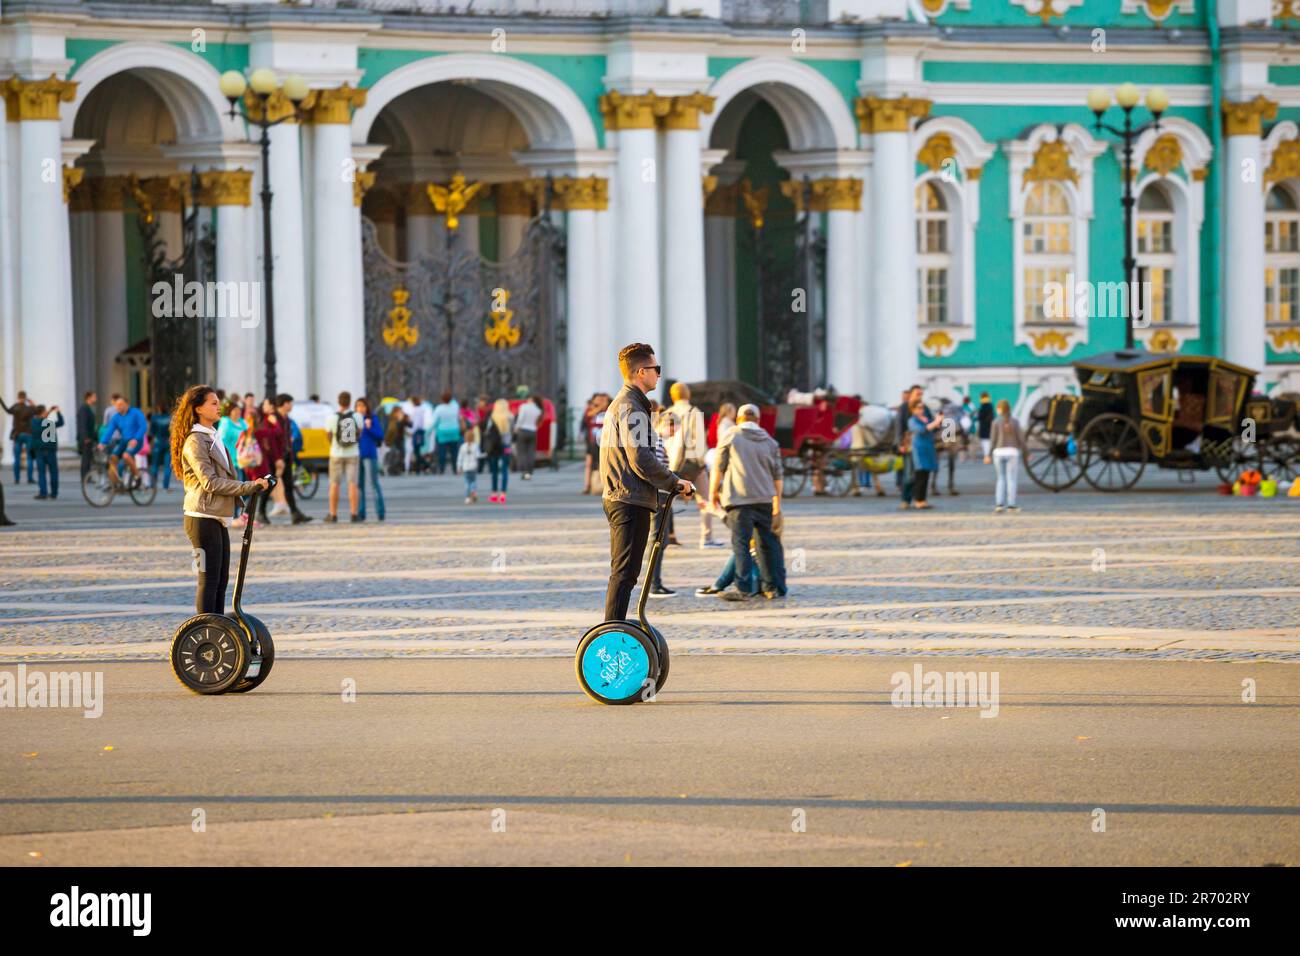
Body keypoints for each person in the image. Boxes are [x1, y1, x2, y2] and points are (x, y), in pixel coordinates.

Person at [600, 343, 694, 622]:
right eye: (656, 369)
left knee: (626, 573)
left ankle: (614, 629)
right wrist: (675, 482)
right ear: (641, 372)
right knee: (624, 573)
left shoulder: (630, 405)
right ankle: (611, 634)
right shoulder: (631, 407)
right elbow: (640, 459)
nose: (659, 375)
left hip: (627, 495)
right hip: (628, 498)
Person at [172, 385, 269, 615]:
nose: (219, 407)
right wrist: (249, 487)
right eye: (213, 403)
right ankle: (206, 630)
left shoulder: (212, 436)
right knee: (208, 580)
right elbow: (210, 482)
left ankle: (218, 628)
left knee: (221, 580)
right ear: (198, 409)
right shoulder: (196, 441)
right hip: (200, 519)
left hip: (216, 516)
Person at [709, 403, 785, 600]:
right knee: (765, 543)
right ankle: (770, 588)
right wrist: (777, 504)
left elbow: (718, 467)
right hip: (764, 499)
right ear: (758, 420)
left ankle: (744, 587)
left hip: (739, 499)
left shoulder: (731, 436)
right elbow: (778, 476)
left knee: (741, 543)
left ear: (739, 419)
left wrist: (712, 493)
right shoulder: (770, 441)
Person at [666, 382, 720, 548]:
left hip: (670, 465)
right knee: (705, 501)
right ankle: (707, 537)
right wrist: (702, 463)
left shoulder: (666, 413)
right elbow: (699, 442)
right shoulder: (693, 412)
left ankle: (664, 535)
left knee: (665, 503)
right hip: (692, 464)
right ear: (688, 394)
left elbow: (662, 440)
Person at [648, 408, 677, 596]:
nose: (674, 429)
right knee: (658, 540)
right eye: (671, 425)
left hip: (663, 495)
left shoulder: (661, 442)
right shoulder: (658, 443)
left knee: (662, 540)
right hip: (660, 496)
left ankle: (656, 582)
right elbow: (657, 472)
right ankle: (654, 584)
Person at [325, 391, 362, 523]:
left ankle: (333, 514)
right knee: (352, 484)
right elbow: (359, 434)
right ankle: (354, 514)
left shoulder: (332, 418)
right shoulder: (357, 416)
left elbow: (329, 436)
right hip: (353, 454)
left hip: (336, 454)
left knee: (334, 484)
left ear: (338, 401)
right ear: (350, 402)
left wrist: (336, 445)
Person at [275, 394, 312, 524]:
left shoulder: (286, 419)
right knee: (269, 486)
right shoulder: (275, 419)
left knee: (289, 486)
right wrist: (277, 458)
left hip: (286, 456)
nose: (291, 406)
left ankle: (295, 513)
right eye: (290, 403)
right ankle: (258, 512)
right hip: (277, 459)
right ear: (284, 404)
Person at [99, 395, 147, 489]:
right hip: (124, 441)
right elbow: (109, 431)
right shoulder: (116, 417)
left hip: (136, 441)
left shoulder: (136, 413)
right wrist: (102, 443)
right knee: (113, 457)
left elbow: (143, 426)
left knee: (126, 455)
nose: (118, 407)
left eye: (121, 404)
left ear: (127, 405)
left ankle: (137, 476)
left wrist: (136, 439)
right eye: (117, 405)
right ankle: (115, 482)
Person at [990, 399, 1027, 513]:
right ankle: (1011, 505)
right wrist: (1027, 452)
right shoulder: (1015, 422)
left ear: (1000, 409)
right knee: (1011, 479)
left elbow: (993, 440)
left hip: (998, 452)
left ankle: (999, 504)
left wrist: (987, 454)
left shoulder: (995, 422)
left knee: (1000, 479)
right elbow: (1021, 439)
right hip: (1012, 452)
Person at [907, 395, 942, 510]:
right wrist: (935, 422)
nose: (921, 409)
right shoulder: (912, 420)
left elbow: (935, 428)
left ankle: (923, 500)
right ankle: (918, 500)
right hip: (919, 449)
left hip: (928, 448)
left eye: (922, 407)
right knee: (920, 475)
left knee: (926, 475)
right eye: (918, 407)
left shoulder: (927, 418)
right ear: (913, 409)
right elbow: (921, 430)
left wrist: (939, 421)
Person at [356, 397, 386, 522]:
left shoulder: (372, 418)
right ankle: (360, 512)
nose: (360, 408)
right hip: (356, 455)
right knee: (359, 485)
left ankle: (380, 511)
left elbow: (380, 435)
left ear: (367, 407)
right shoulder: (352, 419)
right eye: (358, 406)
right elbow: (347, 439)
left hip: (369, 454)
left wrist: (369, 428)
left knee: (374, 484)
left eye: (363, 406)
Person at [1, 392, 37, 484]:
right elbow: (37, 412)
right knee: (29, 457)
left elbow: (7, 410)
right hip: (28, 434)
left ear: (18, 398)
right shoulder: (29, 408)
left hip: (18, 434)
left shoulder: (15, 407)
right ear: (25, 398)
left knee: (17, 458)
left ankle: (17, 479)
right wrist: (32, 403)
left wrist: (1, 400)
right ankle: (30, 478)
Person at [29, 404, 64, 500]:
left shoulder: (33, 422)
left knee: (41, 473)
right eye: (45, 411)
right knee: (53, 472)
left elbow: (40, 418)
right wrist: (58, 412)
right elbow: (61, 422)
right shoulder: (49, 423)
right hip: (51, 451)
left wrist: (48, 411)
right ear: (42, 413)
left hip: (39, 451)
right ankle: (54, 493)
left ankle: (43, 493)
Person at [483, 398, 513, 504]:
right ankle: (503, 494)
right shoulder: (510, 417)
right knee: (505, 469)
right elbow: (512, 431)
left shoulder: (492, 418)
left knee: (494, 470)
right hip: (506, 446)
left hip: (495, 446)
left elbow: (487, 432)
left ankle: (494, 493)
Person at [513, 390, 542, 479]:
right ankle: (530, 471)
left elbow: (521, 418)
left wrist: (516, 427)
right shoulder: (538, 410)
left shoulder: (524, 407)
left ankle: (525, 472)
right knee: (531, 452)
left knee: (522, 452)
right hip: (533, 431)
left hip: (523, 430)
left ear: (530, 399)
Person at [431, 391, 462, 475]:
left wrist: (429, 430)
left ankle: (442, 469)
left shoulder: (439, 408)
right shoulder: (455, 407)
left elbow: (434, 422)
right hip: (454, 431)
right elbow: (459, 417)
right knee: (454, 452)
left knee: (442, 452)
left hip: (442, 432)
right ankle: (455, 469)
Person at [216, 400, 247, 479]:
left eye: (239, 409)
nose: (238, 412)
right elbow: (220, 441)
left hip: (244, 460)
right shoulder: (225, 423)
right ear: (229, 411)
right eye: (235, 410)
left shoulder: (242, 422)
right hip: (231, 461)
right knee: (238, 485)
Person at [148, 401, 173, 493]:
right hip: (168, 442)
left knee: (155, 465)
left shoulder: (154, 418)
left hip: (157, 442)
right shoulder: (170, 418)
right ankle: (165, 486)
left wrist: (150, 444)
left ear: (158, 408)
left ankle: (152, 485)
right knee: (168, 466)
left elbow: (152, 432)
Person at [76, 392, 98, 481]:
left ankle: (87, 477)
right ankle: (85, 477)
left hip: (89, 438)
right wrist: (85, 437)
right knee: (86, 459)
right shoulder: (84, 408)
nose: (96, 398)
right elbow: (83, 424)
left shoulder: (87, 408)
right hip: (86, 439)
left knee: (88, 458)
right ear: (89, 397)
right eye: (94, 396)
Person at [458, 419, 481, 504]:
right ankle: (473, 491)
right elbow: (478, 456)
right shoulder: (475, 446)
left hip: (465, 467)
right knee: (473, 481)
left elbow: (460, 458)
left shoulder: (462, 447)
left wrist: (459, 467)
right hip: (473, 467)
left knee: (467, 482)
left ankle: (467, 497)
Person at [384, 406, 409, 476]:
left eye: (401, 411)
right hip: (393, 439)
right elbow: (390, 429)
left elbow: (410, 425)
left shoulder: (403, 419)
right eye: (399, 412)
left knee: (402, 453)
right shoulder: (391, 419)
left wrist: (405, 420)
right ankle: (390, 467)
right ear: (395, 412)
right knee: (393, 452)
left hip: (400, 439)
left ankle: (397, 468)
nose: (400, 413)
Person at [978, 391, 995, 463]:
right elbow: (993, 416)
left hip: (984, 427)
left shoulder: (982, 406)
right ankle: (989, 456)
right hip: (990, 427)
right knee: (989, 442)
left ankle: (987, 457)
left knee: (985, 443)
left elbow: (980, 417)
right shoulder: (990, 405)